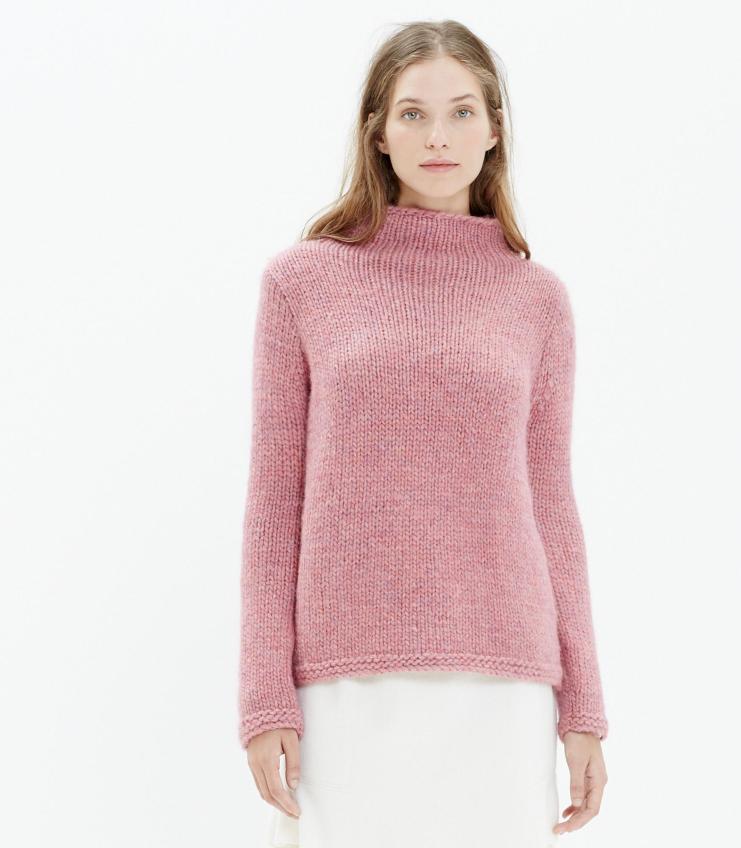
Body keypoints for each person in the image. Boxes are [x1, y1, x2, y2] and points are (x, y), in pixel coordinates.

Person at [237, 19, 610, 848]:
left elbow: (552, 506)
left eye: (461, 111)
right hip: (345, 682)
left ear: (494, 129)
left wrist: (583, 706)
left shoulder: (538, 300)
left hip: (503, 682)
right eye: (412, 114)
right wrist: (264, 697)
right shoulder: (303, 282)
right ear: (377, 131)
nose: (438, 136)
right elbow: (273, 504)